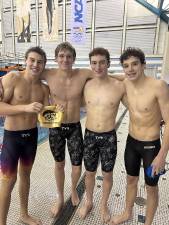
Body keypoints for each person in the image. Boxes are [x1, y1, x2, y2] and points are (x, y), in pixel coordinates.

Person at [109, 47, 169, 225]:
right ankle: (127, 213)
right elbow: (110, 75)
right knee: (131, 179)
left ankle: (148, 223)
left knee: (151, 187)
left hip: (151, 147)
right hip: (131, 143)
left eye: (135, 64)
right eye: (126, 66)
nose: (130, 69)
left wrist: (162, 155)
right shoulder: (126, 82)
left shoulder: (158, 86)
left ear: (144, 65)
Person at [40, 42, 94, 217]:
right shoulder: (48, 74)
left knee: (77, 165)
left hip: (74, 126)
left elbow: (106, 75)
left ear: (74, 59)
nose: (65, 59)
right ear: (56, 58)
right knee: (59, 164)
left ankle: (73, 189)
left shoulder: (83, 73)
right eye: (61, 56)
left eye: (69, 56)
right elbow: (26, 74)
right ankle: (60, 197)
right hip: (55, 125)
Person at [0, 46, 49, 225]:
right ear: (26, 61)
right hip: (12, 137)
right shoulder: (13, 78)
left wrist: (55, 113)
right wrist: (25, 107)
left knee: (26, 176)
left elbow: (45, 120)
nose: (35, 64)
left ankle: (23, 214)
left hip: (31, 137)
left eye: (40, 62)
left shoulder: (44, 89)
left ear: (44, 65)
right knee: (7, 180)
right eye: (32, 60)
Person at [78, 47, 126, 224]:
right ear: (90, 64)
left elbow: (133, 88)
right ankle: (89, 201)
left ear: (108, 63)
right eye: (94, 63)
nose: (98, 67)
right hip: (90, 136)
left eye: (102, 62)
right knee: (89, 173)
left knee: (107, 174)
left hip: (109, 138)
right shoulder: (86, 85)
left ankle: (104, 204)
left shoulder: (119, 86)